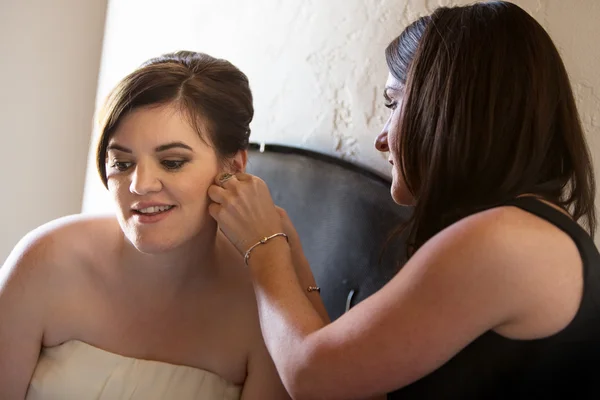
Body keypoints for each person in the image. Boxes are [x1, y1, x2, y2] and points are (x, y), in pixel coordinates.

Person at [208, 2, 600, 399]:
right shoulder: (526, 231)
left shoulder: (504, 241)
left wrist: (263, 249)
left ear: (452, 107)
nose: (381, 138)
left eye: (393, 103)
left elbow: (312, 380)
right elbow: (348, 380)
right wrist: (289, 253)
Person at [0, 51, 320, 399]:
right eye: (122, 163)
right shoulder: (46, 261)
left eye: (171, 162)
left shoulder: (264, 307)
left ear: (233, 168)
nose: (140, 184)